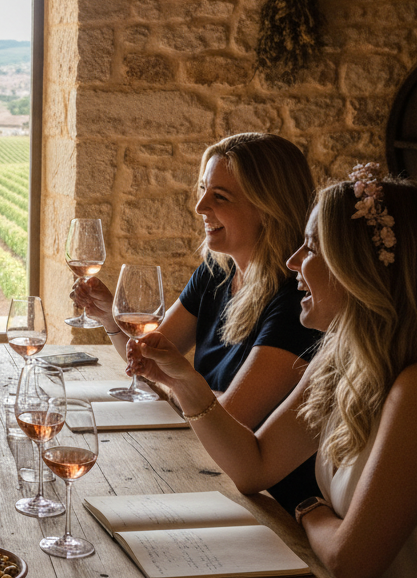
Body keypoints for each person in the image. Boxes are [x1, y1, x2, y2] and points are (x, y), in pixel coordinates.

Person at [130, 168, 417, 578]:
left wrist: (307, 507)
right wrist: (187, 384)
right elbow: (254, 467)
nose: (293, 261)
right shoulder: (341, 358)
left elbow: (351, 563)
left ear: (363, 268)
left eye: (312, 247)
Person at [73, 132, 322, 512]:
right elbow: (150, 363)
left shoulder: (296, 303)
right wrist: (110, 317)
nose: (200, 205)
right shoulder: (216, 270)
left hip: (270, 503)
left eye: (219, 197)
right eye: (204, 189)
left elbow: (228, 418)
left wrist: (180, 384)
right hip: (208, 467)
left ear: (269, 207)